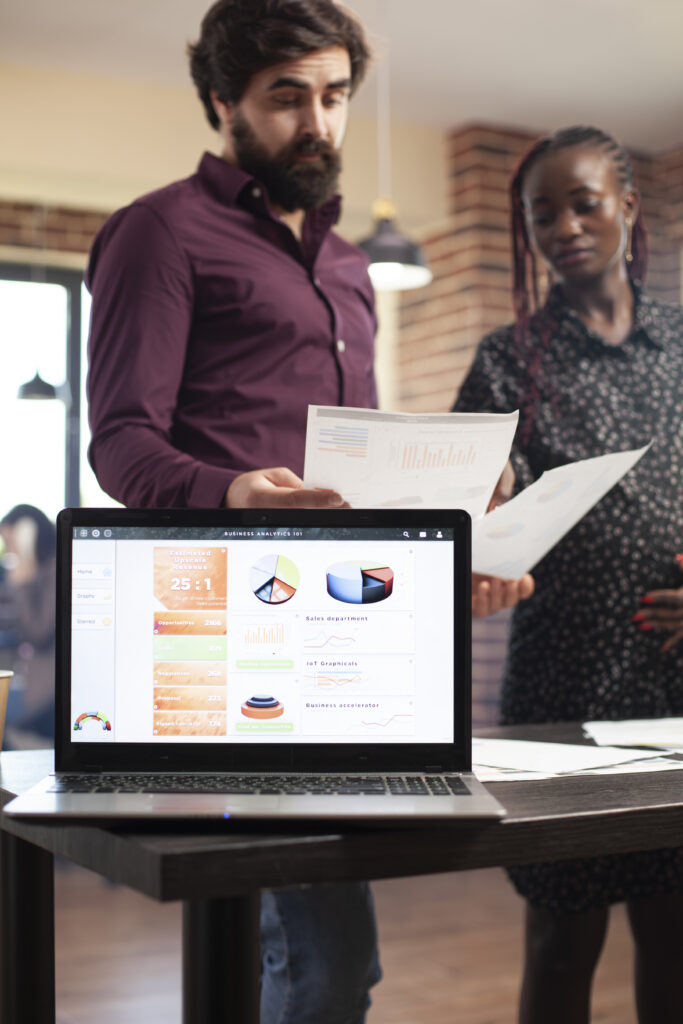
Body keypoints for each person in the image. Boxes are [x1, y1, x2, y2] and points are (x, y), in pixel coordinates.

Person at [86, 2, 532, 1020]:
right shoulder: (159, 231)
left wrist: (442, 561)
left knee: (312, 958)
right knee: (318, 960)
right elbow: (119, 443)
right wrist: (229, 488)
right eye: (286, 96)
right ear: (221, 100)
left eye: (333, 96)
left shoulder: (347, 266)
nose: (317, 122)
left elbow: (356, 477)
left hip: (335, 630)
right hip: (218, 628)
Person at [453, 125, 683, 1024]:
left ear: (625, 205)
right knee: (560, 938)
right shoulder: (506, 359)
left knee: (674, 935)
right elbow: (470, 493)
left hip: (672, 686)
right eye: (540, 213)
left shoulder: (681, 345)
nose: (563, 227)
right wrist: (482, 506)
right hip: (559, 687)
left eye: (583, 204)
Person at [0, 504, 57, 746]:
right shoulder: (40, 572)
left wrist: (21, 583)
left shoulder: (55, 570)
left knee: (8, 730)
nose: (8, 550)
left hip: (49, 694)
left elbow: (38, 632)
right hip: (39, 688)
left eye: (10, 541)